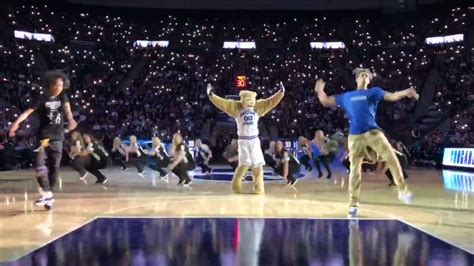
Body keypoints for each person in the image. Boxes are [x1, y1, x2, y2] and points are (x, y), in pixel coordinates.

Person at [314, 68, 418, 218]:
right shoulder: (346, 96)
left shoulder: (373, 92)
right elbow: (325, 101)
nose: (364, 76)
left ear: (369, 80)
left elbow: (393, 96)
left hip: (373, 133)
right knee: (355, 169)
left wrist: (406, 92)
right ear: (357, 79)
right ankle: (353, 204)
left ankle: (402, 190)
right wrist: (319, 91)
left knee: (391, 156)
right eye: (361, 75)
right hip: (355, 137)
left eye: (366, 75)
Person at [8, 70, 77, 210]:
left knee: (54, 167)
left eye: (61, 85)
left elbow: (68, 110)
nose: (59, 88)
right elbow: (27, 112)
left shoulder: (63, 97)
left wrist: (71, 120)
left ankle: (49, 194)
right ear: (50, 85)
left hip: (58, 138)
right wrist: (15, 124)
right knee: (39, 164)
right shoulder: (41, 98)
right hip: (43, 138)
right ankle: (46, 192)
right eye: (57, 85)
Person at [207, 82, 285, 194]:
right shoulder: (236, 108)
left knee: (257, 165)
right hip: (243, 140)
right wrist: (211, 95)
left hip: (254, 140)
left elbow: (270, 102)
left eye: (252, 99)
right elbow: (223, 104)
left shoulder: (258, 107)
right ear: (242, 100)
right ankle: (236, 186)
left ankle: (259, 188)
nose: (250, 102)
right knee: (244, 164)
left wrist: (280, 93)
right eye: (247, 99)